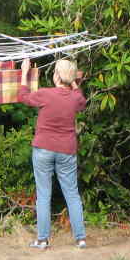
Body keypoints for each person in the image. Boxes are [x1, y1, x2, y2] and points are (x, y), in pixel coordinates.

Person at [19, 58, 87, 250]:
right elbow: (81, 100)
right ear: (71, 78)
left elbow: (24, 97)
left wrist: (25, 73)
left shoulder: (45, 94)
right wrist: (72, 80)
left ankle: (42, 240)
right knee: (72, 194)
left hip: (43, 149)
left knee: (43, 194)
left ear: (56, 75)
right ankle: (80, 238)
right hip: (67, 150)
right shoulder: (75, 98)